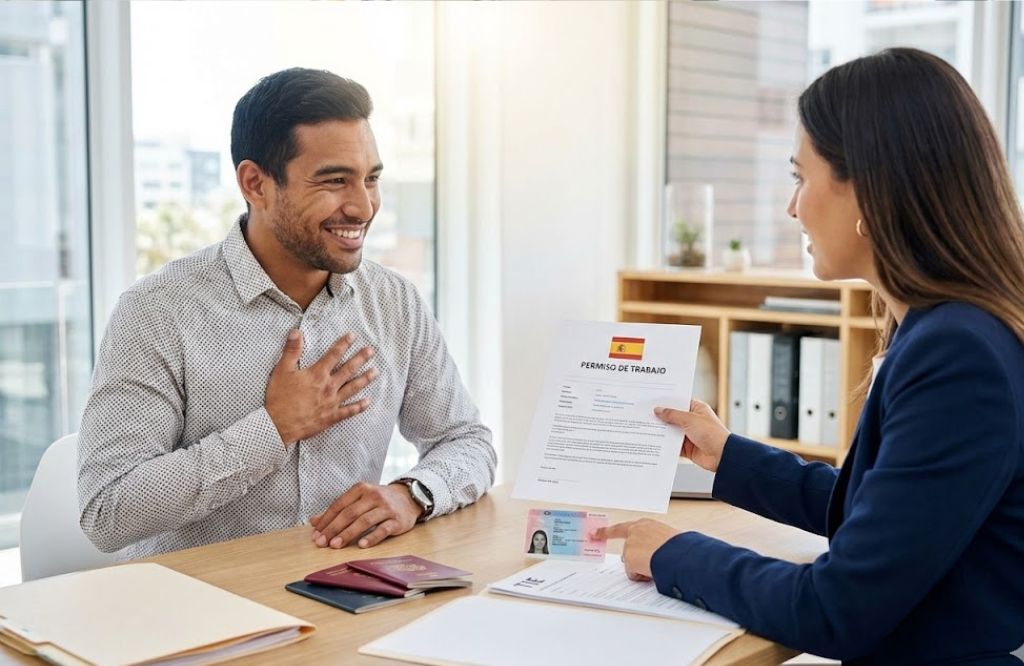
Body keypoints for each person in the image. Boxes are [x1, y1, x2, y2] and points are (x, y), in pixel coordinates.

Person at [597, 48, 1024, 661]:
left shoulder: (957, 356)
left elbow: (835, 608)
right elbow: (878, 513)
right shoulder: (949, 330)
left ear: (870, 191)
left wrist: (674, 553)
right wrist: (729, 454)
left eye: (800, 177)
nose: (791, 207)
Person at [78, 68, 496, 559]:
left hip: (345, 589)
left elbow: (467, 441)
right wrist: (274, 428)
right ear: (256, 183)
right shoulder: (158, 311)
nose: (363, 207)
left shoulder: (394, 301)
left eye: (371, 179)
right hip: (198, 598)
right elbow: (108, 510)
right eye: (335, 181)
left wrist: (413, 495)